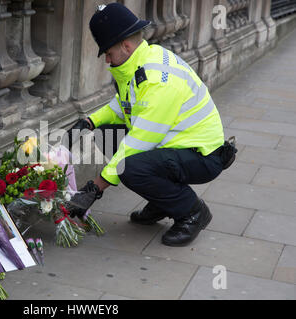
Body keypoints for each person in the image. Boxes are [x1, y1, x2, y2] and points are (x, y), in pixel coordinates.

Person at [66, 3, 236, 247]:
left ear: (125, 46)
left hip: (203, 155)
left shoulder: (157, 80)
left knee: (130, 167)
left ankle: (192, 212)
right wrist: (89, 122)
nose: (106, 59)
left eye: (108, 52)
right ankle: (163, 201)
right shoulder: (141, 61)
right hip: (177, 146)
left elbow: (139, 141)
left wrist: (95, 187)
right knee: (107, 135)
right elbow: (123, 104)